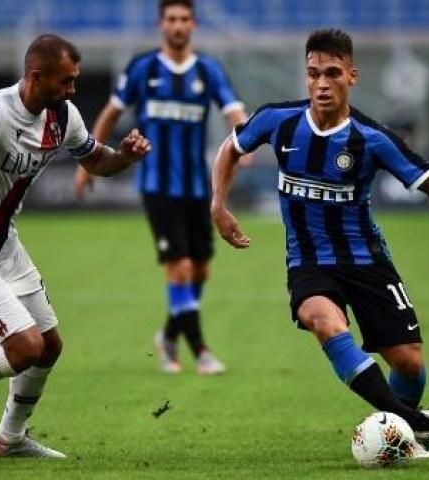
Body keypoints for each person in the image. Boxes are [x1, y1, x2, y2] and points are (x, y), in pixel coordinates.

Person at [210, 29, 429, 454]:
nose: (321, 83)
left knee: (410, 365)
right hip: (308, 262)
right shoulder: (278, 121)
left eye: (332, 73)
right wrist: (218, 205)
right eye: (313, 73)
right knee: (322, 320)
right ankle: (412, 424)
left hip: (366, 261)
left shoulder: (373, 139)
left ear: (352, 76)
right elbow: (229, 149)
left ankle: (400, 429)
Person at [0, 34, 151, 458]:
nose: (72, 90)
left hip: (3, 247)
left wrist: (125, 156)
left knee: (50, 348)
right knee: (25, 347)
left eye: (74, 81)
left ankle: (10, 438)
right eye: (65, 81)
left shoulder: (63, 115)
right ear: (36, 77)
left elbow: (96, 161)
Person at [74, 0, 248, 375]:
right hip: (157, 186)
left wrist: (246, 141)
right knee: (181, 269)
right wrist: (88, 162)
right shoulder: (143, 68)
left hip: (198, 187)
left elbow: (235, 112)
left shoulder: (208, 69)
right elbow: (111, 112)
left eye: (184, 19)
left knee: (200, 271)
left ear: (194, 24)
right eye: (171, 19)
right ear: (161, 24)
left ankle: (168, 336)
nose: (178, 25)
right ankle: (200, 350)